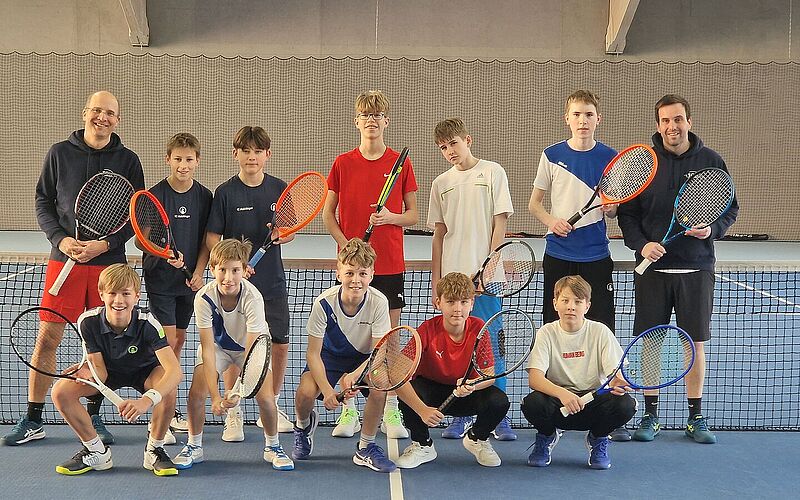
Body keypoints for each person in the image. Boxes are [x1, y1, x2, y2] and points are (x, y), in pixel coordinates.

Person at [2, 91, 145, 447]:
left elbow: (136, 214)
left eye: (109, 113)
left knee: (104, 343)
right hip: (63, 261)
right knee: (47, 339)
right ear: (85, 113)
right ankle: (33, 418)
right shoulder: (59, 153)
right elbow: (43, 201)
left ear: (118, 120)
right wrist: (61, 239)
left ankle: (94, 415)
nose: (102, 117)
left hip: (108, 268)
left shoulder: (128, 160)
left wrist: (105, 244)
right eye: (97, 110)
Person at [617, 94, 738, 444]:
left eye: (679, 119)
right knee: (651, 343)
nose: (673, 126)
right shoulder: (645, 163)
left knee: (694, 344)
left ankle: (695, 417)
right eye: (666, 121)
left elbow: (730, 209)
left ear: (689, 121)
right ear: (658, 125)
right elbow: (628, 215)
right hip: (653, 271)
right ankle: (650, 415)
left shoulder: (711, 160)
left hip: (696, 268)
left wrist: (711, 229)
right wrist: (642, 245)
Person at [527, 90, 629, 442]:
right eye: (576, 114)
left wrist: (611, 206)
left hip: (596, 255)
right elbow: (534, 204)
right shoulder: (552, 154)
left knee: (602, 327)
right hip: (559, 252)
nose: (582, 120)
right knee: (553, 325)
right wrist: (551, 221)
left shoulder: (611, 158)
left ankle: (604, 407)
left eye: (588, 114)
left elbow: (613, 210)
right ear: (566, 118)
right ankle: (554, 402)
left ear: (598, 119)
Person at [323, 90, 418, 440]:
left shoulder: (400, 163)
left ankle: (390, 406)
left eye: (377, 115)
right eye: (366, 115)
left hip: (389, 264)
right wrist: (345, 246)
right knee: (350, 339)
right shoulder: (342, 163)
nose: (371, 120)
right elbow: (328, 214)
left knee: (389, 340)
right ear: (357, 122)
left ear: (386, 121)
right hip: (353, 267)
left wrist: (390, 217)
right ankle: (348, 408)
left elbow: (413, 214)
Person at [428, 118, 515, 441]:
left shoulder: (493, 172)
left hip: (488, 280)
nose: (449, 151)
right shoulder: (441, 183)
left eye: (453, 143)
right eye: (443, 147)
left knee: (492, 343)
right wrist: (436, 281)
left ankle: (498, 415)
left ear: (468, 140)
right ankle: (463, 413)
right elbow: (439, 235)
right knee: (459, 346)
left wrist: (489, 267)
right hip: (452, 282)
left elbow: (499, 223)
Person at [172, 239, 294, 471]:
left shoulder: (253, 298)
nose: (228, 277)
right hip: (218, 348)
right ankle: (194, 446)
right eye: (223, 270)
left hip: (252, 349)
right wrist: (216, 397)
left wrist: (238, 390)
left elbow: (251, 350)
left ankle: (273, 447)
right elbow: (208, 349)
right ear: (212, 270)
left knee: (266, 398)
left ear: (244, 270)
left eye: (235, 270)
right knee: (196, 394)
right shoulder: (204, 298)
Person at [205, 126, 294, 441]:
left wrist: (282, 234)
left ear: (267, 155)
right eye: (246, 151)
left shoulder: (279, 189)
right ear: (236, 154)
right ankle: (234, 410)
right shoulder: (225, 192)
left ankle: (273, 403)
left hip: (272, 282)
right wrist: (234, 265)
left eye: (258, 151)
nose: (252, 157)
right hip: (235, 287)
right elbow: (213, 237)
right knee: (235, 347)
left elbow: (290, 230)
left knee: (279, 344)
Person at [50, 264, 182, 476]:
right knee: (61, 392)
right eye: (112, 293)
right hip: (108, 372)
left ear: (137, 296)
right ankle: (96, 451)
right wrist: (88, 373)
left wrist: (146, 401)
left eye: (126, 294)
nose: (118, 300)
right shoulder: (88, 322)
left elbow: (175, 372)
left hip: (144, 372)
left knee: (168, 388)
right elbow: (100, 372)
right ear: (101, 294)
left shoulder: (149, 323)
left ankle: (154, 450)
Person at [291, 238, 396, 472]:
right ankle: (303, 426)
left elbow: (379, 351)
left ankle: (366, 447)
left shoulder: (379, 302)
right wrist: (328, 391)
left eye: (362, 273)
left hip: (365, 358)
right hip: (330, 357)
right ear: (338, 273)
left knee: (380, 386)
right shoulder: (323, 304)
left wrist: (356, 375)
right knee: (305, 392)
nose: (356, 280)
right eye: (349, 273)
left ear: (372, 275)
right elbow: (312, 354)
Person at [137, 132, 212, 441]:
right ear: (168, 159)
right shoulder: (153, 196)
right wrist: (164, 252)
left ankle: (169, 406)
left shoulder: (205, 197)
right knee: (166, 346)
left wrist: (199, 272)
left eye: (189, 159)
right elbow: (143, 240)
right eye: (178, 159)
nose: (183, 165)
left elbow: (207, 241)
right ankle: (159, 416)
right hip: (161, 281)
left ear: (198, 161)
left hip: (189, 282)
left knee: (178, 342)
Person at [394, 272, 509, 468]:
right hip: (432, 393)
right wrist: (421, 410)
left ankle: (477, 439)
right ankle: (423, 445)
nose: (457, 309)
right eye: (451, 302)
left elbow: (489, 376)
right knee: (410, 394)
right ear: (439, 303)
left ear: (472, 303)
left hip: (466, 392)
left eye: (464, 302)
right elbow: (397, 374)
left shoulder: (479, 328)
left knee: (499, 401)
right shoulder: (427, 330)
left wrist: (473, 385)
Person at [521, 275, 636, 470]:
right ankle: (547, 436)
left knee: (625, 405)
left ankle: (598, 437)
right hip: (560, 405)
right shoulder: (546, 332)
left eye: (577, 302)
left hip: (593, 402)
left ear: (587, 306)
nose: (571, 307)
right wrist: (563, 394)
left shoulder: (600, 331)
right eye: (565, 300)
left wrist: (617, 382)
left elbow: (615, 374)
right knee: (532, 403)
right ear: (555, 303)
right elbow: (535, 379)